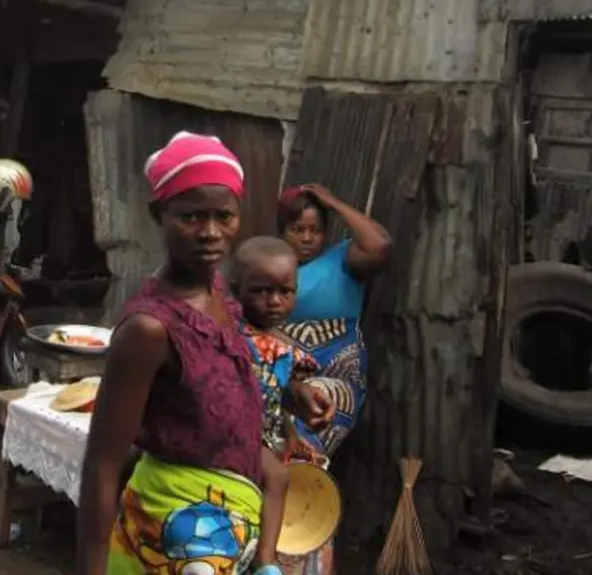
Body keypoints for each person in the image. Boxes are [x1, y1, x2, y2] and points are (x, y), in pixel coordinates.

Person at [76, 131, 311, 575]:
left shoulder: (222, 292)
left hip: (226, 529)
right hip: (176, 535)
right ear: (157, 214)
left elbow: (238, 373)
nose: (210, 233)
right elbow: (102, 465)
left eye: (224, 216)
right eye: (190, 217)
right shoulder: (150, 328)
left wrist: (294, 389)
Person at [274, 183, 392, 575]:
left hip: (335, 380)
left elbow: (380, 246)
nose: (308, 238)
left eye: (315, 229)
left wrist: (334, 201)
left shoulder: (343, 260)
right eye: (297, 229)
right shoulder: (268, 266)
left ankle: (302, 564)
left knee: (302, 465)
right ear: (282, 231)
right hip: (277, 380)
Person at [233, 236, 346, 575]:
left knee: (306, 472)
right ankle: (266, 563)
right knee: (278, 478)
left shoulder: (282, 346)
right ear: (237, 288)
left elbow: (279, 390)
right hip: (235, 434)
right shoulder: (232, 337)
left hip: (267, 435)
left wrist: (300, 414)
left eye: (285, 291)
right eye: (261, 291)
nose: (275, 301)